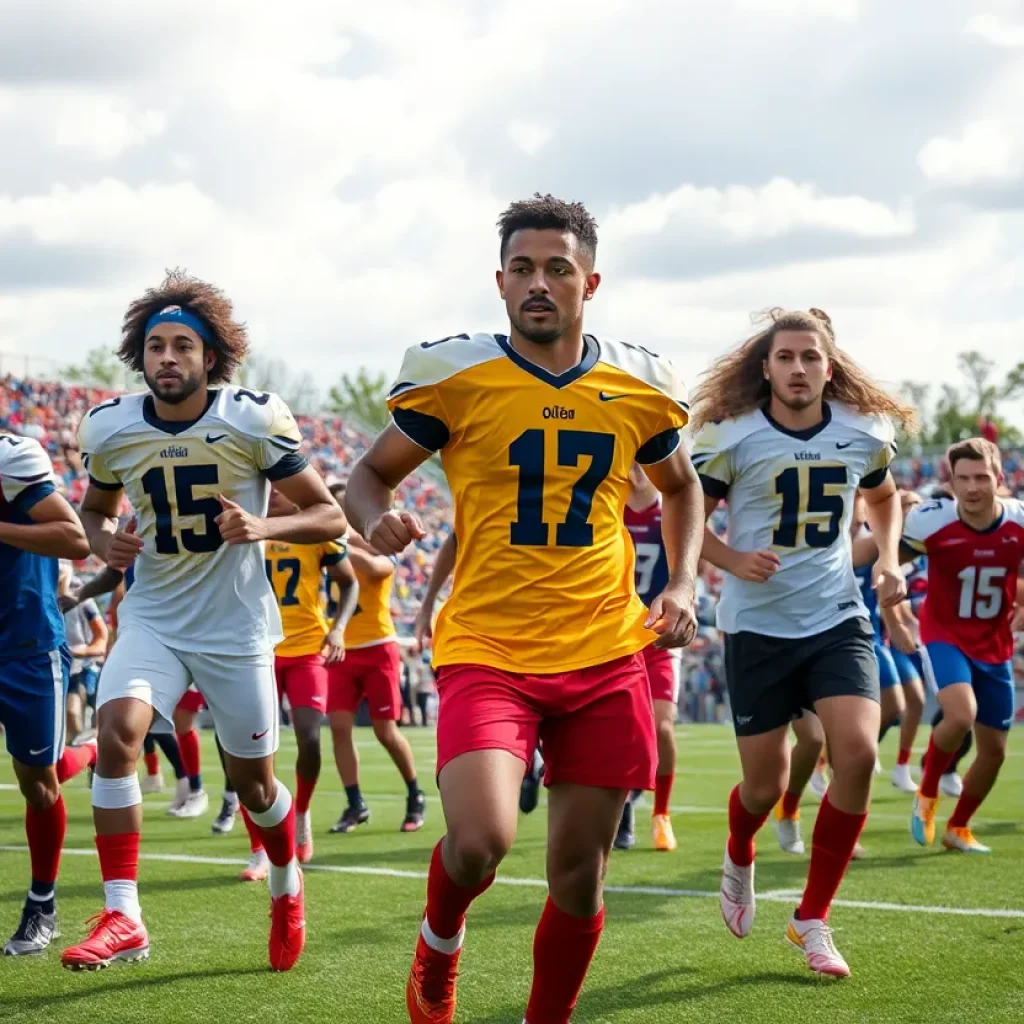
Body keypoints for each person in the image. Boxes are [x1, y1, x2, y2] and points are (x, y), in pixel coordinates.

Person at [345, 194, 702, 1024]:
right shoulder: (457, 376)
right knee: (479, 844)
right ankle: (439, 945)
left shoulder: (637, 382)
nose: (539, 283)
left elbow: (682, 488)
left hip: (608, 650)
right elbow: (368, 474)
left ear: (591, 282)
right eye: (522, 269)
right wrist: (376, 519)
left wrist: (681, 584)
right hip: (489, 647)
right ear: (499, 283)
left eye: (558, 269)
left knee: (579, 875)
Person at [61, 271, 346, 972]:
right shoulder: (111, 425)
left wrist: (263, 523)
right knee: (118, 733)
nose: (167, 359)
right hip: (154, 615)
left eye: (182, 346)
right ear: (141, 355)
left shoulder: (250, 418)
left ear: (209, 357)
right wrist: (105, 542)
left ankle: (286, 880)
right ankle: (124, 914)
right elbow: (94, 513)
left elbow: (330, 515)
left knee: (255, 786)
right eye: (156, 346)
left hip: (236, 626)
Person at [692, 306, 913, 978]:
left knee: (855, 751)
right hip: (757, 624)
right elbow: (685, 518)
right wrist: (730, 560)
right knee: (765, 785)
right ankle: (740, 850)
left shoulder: (860, 429)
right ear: (766, 366)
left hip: (835, 615)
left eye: (809, 357)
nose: (797, 368)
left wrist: (888, 559)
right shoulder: (734, 435)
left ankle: (812, 918)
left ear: (829, 365)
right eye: (785, 357)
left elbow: (884, 497)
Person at [904, 438, 1021, 853]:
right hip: (944, 634)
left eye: (981, 477)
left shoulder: (1019, 522)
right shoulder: (929, 521)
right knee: (960, 714)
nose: (972, 487)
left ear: (999, 479)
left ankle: (959, 827)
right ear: (950, 482)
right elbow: (888, 556)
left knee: (994, 753)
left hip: (994, 642)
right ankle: (927, 792)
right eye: (963, 478)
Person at [236, 485, 358, 874]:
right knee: (248, 751)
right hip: (257, 648)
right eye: (269, 487)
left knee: (309, 736)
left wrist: (338, 629)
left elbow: (349, 582)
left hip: (306, 648)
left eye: (281, 488)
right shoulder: (248, 527)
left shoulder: (316, 532)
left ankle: (301, 813)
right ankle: (259, 847)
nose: (273, 492)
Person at [1, 432, 91, 955]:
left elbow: (73, 538)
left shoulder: (10, 456)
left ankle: (43, 903)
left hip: (26, 646)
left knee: (38, 782)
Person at [326, 481, 427, 835]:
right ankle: (355, 803)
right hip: (340, 650)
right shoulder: (326, 546)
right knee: (339, 729)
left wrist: (336, 540)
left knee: (386, 731)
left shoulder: (371, 545)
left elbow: (375, 568)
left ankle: (415, 793)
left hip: (377, 646)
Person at [615, 462, 683, 853]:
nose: (638, 468)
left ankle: (661, 812)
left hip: (658, 636)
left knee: (663, 728)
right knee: (622, 729)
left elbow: (694, 558)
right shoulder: (609, 511)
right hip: (615, 635)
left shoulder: (671, 508)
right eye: (632, 458)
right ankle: (623, 806)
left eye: (645, 459)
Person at [58, 562, 108, 741]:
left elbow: (102, 639)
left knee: (73, 714)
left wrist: (80, 652)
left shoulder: (81, 596)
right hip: (51, 667)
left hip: (81, 667)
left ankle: (88, 752)